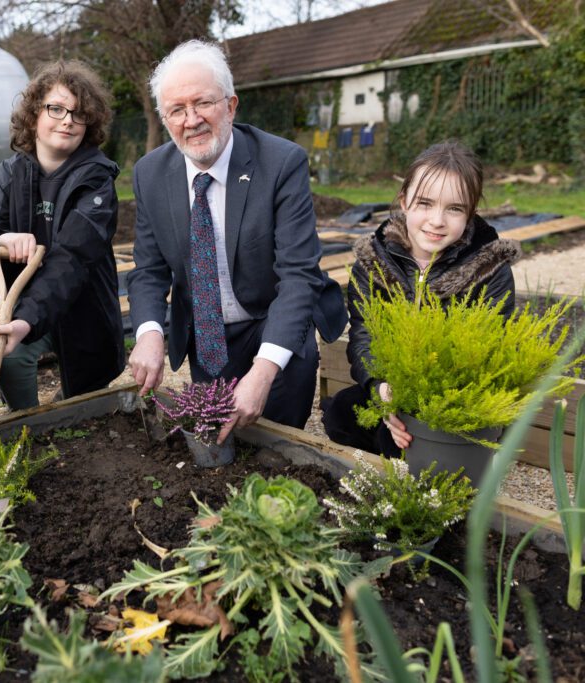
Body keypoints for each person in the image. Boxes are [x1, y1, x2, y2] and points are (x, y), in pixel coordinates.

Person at [127, 40, 346, 441]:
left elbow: (298, 276)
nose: (191, 120)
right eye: (177, 109)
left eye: (203, 103)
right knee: (221, 440)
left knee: (278, 440)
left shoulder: (281, 163)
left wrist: (263, 372)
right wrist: (149, 333)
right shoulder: (150, 174)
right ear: (164, 118)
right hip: (208, 331)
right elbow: (148, 269)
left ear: (230, 106)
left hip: (272, 318)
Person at [321, 140, 520, 455]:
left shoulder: (489, 268)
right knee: (341, 413)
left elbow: (489, 351)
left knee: (409, 443)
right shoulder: (373, 262)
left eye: (454, 208)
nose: (437, 220)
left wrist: (423, 405)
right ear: (404, 201)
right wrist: (380, 388)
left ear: (471, 211)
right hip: (395, 385)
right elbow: (363, 334)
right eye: (425, 203)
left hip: (452, 400)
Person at [0, 61, 124, 409]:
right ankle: (25, 422)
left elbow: (72, 257)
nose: (67, 120)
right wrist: (0, 241)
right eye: (56, 108)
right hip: (25, 304)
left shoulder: (97, 180)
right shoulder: (7, 176)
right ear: (33, 115)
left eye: (79, 113)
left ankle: (63, 414)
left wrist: (25, 321)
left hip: (84, 309)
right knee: (9, 359)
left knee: (80, 409)